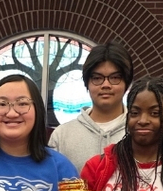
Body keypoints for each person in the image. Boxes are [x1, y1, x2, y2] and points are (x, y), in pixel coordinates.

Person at [49, 41, 134, 172]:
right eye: (97, 78)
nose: (106, 85)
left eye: (115, 77)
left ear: (126, 83)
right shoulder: (62, 136)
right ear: (87, 82)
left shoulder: (140, 132)